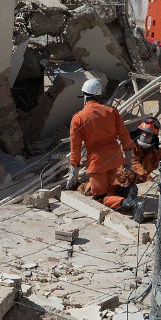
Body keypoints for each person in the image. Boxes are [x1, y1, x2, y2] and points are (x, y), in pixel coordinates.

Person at [66, 79, 145, 222]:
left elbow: (75, 148)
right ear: (98, 96)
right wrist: (127, 160)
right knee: (109, 189)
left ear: (84, 97)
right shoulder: (111, 111)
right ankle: (129, 190)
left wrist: (73, 174)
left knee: (99, 198)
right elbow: (124, 136)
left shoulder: (78, 118)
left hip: (97, 163)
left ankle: (132, 205)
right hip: (115, 158)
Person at [116, 117, 161, 185]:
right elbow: (133, 164)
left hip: (140, 182)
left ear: (154, 135)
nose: (145, 134)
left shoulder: (156, 152)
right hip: (121, 180)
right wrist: (147, 179)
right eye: (143, 131)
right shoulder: (129, 145)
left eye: (148, 133)